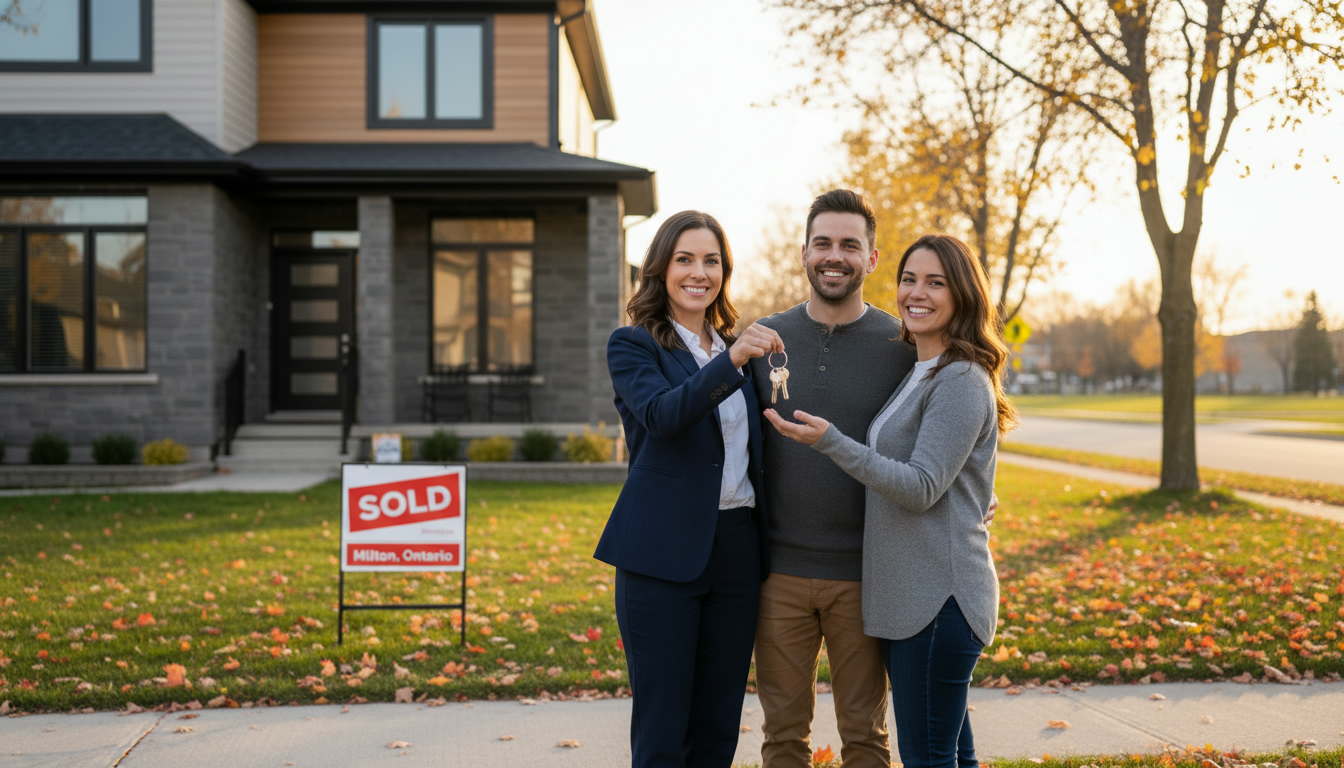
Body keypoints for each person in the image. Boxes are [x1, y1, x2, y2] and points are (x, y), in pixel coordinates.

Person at [765, 233, 1017, 768]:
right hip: (913, 599)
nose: (916, 292)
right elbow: (951, 469)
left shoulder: (959, 377)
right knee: (949, 756)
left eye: (936, 282)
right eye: (909, 280)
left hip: (938, 599)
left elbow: (923, 486)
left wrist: (830, 441)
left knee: (929, 759)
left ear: (964, 294)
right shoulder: (924, 367)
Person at [595, 210, 783, 768]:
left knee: (718, 723)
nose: (698, 272)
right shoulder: (633, 345)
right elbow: (663, 415)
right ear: (661, 268)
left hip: (737, 551)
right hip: (660, 556)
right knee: (662, 732)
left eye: (712, 261)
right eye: (685, 259)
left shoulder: (733, 347)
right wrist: (732, 360)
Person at [745, 189, 914, 768]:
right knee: (782, 740)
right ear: (804, 253)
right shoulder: (762, 339)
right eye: (823, 243)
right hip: (779, 576)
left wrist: (975, 491)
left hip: (866, 575)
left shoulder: (903, 346)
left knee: (866, 741)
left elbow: (942, 434)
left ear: (870, 259)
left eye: (849, 244)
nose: (833, 255)